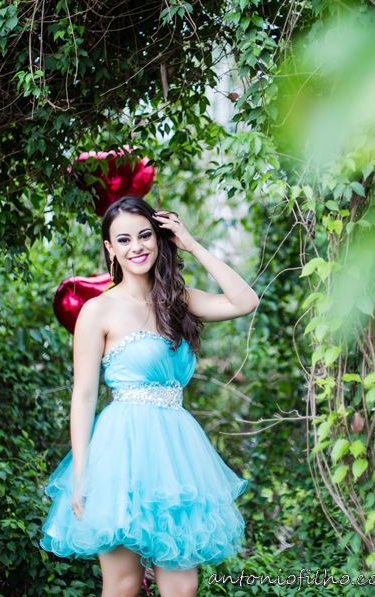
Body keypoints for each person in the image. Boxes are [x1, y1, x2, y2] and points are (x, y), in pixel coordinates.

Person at [39, 195, 259, 597]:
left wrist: (191, 244)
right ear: (110, 249)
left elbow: (245, 301)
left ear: (159, 238)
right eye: (123, 240)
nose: (136, 247)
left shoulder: (178, 300)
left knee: (183, 587)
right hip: (120, 453)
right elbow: (83, 395)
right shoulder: (98, 311)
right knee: (122, 584)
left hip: (176, 454)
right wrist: (82, 472)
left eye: (144, 236)